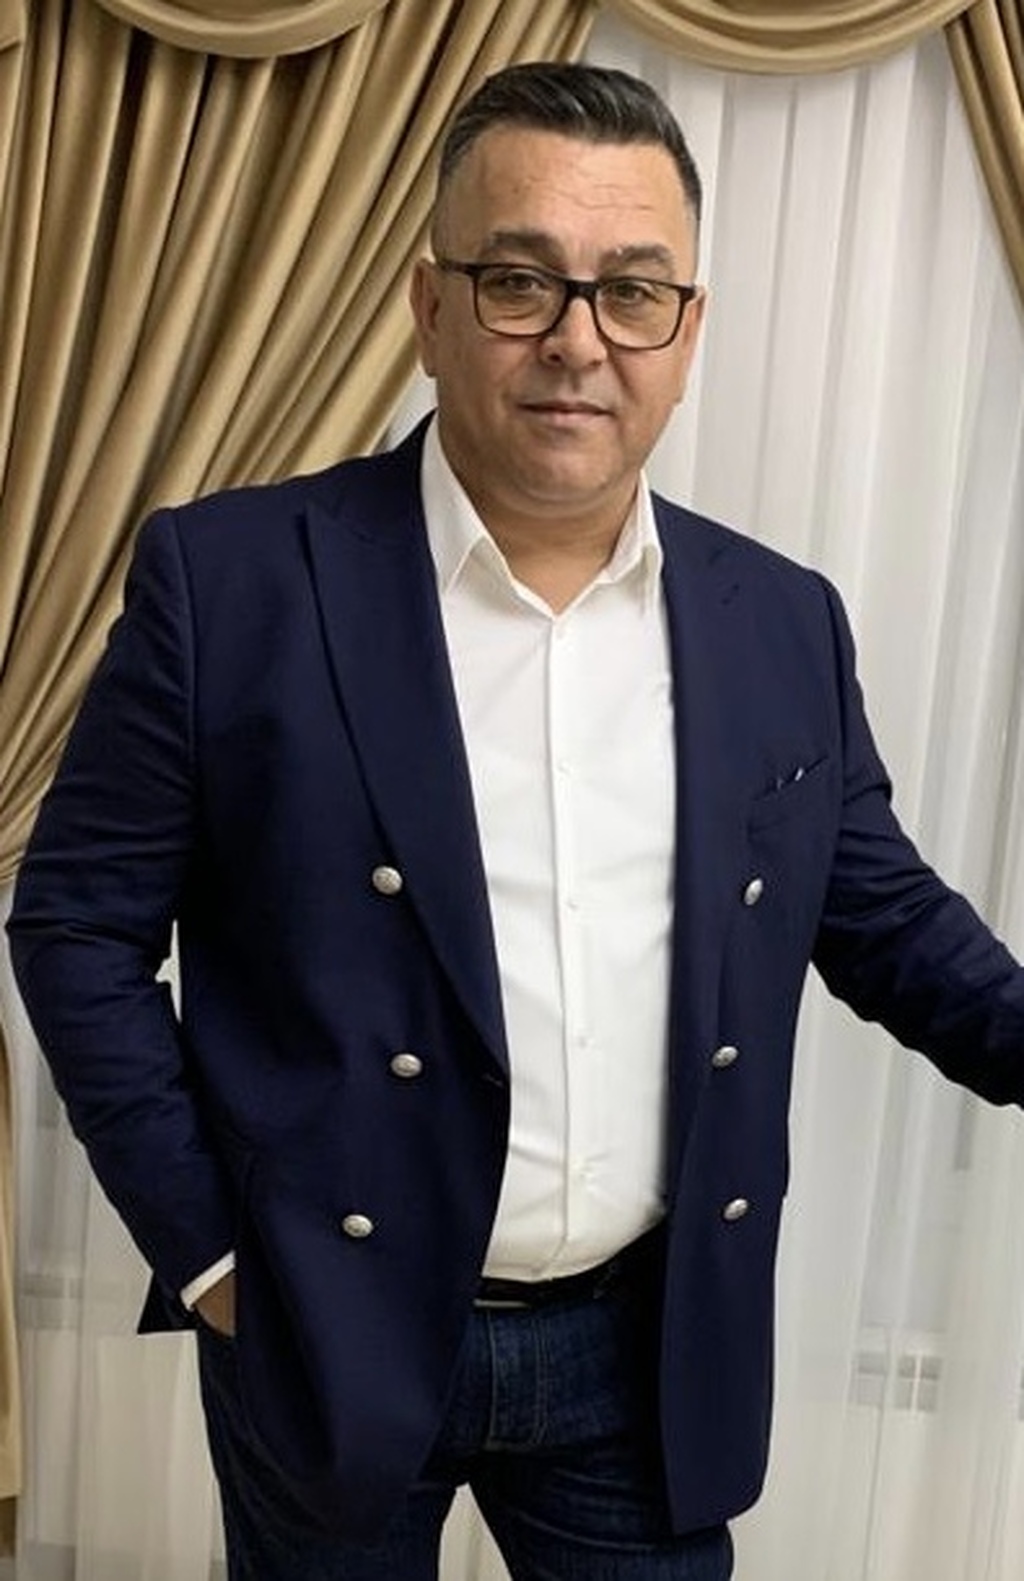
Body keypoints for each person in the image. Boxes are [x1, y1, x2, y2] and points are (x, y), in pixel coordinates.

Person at [8, 59, 1024, 1581]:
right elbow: (76, 926)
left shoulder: (780, 620)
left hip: (644, 1345)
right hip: (324, 1324)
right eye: (519, 280)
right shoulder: (229, 582)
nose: (577, 340)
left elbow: (881, 915)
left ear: (687, 332)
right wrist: (211, 1253)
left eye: (632, 292)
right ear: (429, 307)